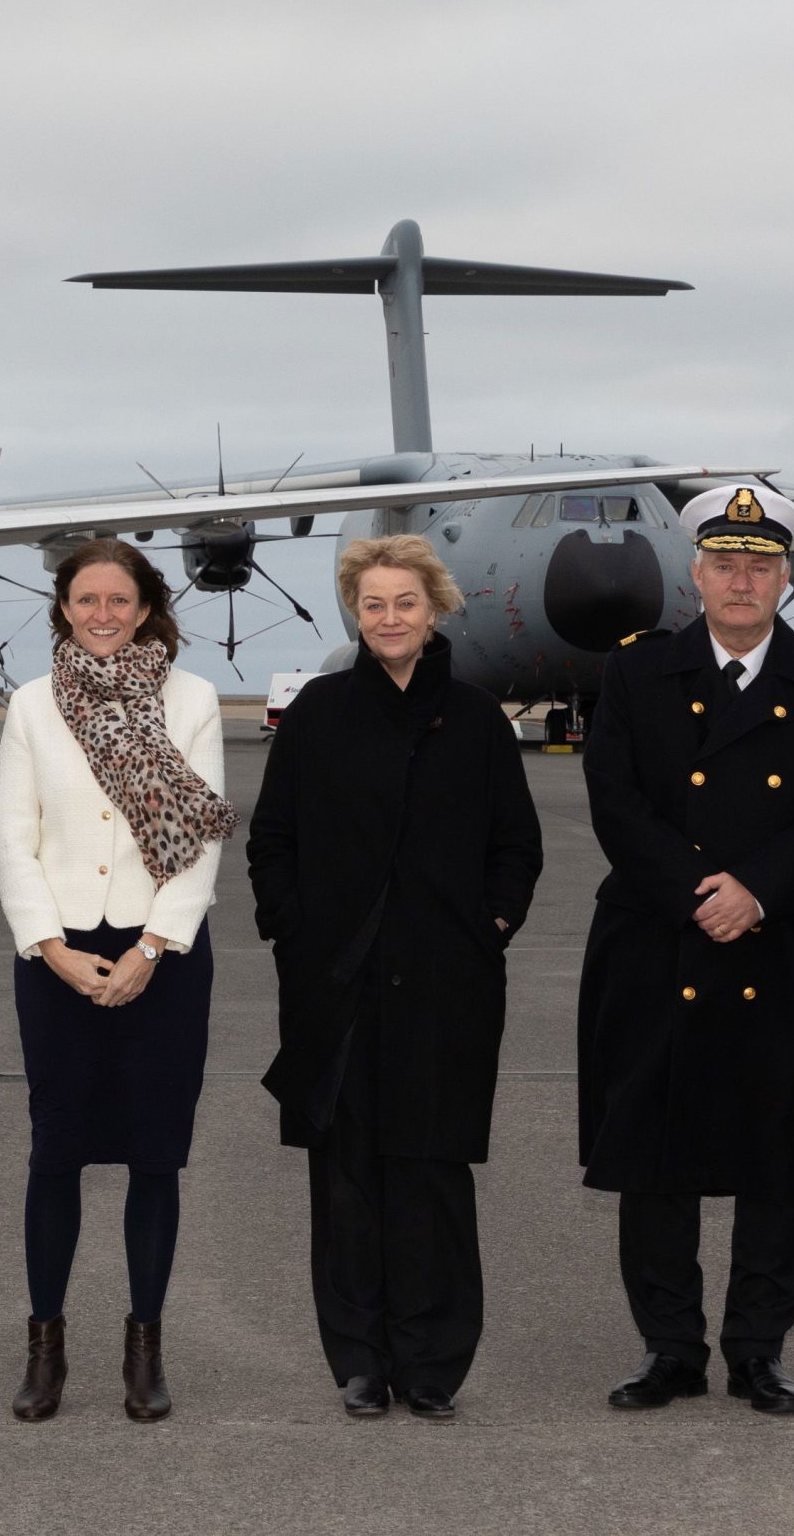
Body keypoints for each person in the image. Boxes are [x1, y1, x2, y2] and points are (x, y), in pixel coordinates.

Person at [577, 484, 794, 1417]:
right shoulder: (634, 674)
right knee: (654, 1156)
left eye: (760, 566)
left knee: (779, 1157)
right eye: (725, 565)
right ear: (697, 573)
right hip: (659, 941)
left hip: (780, 942)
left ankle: (758, 1349)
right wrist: (699, 891)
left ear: (784, 577)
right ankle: (670, 1348)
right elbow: (617, 801)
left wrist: (758, 891)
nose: (742, 581)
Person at [250, 534, 543, 1421]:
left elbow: (516, 846)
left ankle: (431, 1362)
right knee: (346, 1177)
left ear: (434, 608)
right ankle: (360, 1360)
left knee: (433, 1173)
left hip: (448, 982)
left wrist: (489, 925)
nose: (388, 619)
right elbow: (274, 841)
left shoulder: (479, 719)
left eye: (404, 603)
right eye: (372, 604)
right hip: (336, 983)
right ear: (355, 610)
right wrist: (294, 935)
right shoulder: (317, 714)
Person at [0, 539, 236, 1423]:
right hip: (58, 956)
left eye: (118, 599)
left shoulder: (193, 698)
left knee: (154, 1154)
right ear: (62, 607)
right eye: (85, 598)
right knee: (54, 1152)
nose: (101, 613)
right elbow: (12, 836)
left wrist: (153, 945)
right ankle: (46, 1349)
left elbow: (202, 834)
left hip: (158, 957)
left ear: (144, 607)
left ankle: (144, 1347)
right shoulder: (30, 703)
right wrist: (49, 945)